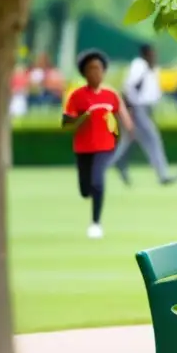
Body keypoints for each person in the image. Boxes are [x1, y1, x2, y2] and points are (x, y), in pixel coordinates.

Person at [61, 49, 133, 239]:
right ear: (84, 73)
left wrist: (127, 129)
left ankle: (95, 223)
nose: (96, 73)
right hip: (83, 148)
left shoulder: (111, 95)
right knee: (86, 189)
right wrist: (80, 119)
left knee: (98, 181)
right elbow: (66, 121)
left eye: (99, 68)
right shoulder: (76, 96)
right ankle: (88, 193)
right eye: (91, 69)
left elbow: (123, 116)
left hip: (105, 146)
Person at [111, 43, 177, 186]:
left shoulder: (151, 68)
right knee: (152, 139)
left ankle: (114, 163)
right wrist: (129, 109)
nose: (155, 56)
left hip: (145, 109)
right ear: (146, 54)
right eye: (152, 53)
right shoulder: (139, 66)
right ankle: (163, 175)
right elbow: (128, 87)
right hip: (137, 109)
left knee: (129, 141)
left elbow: (152, 91)